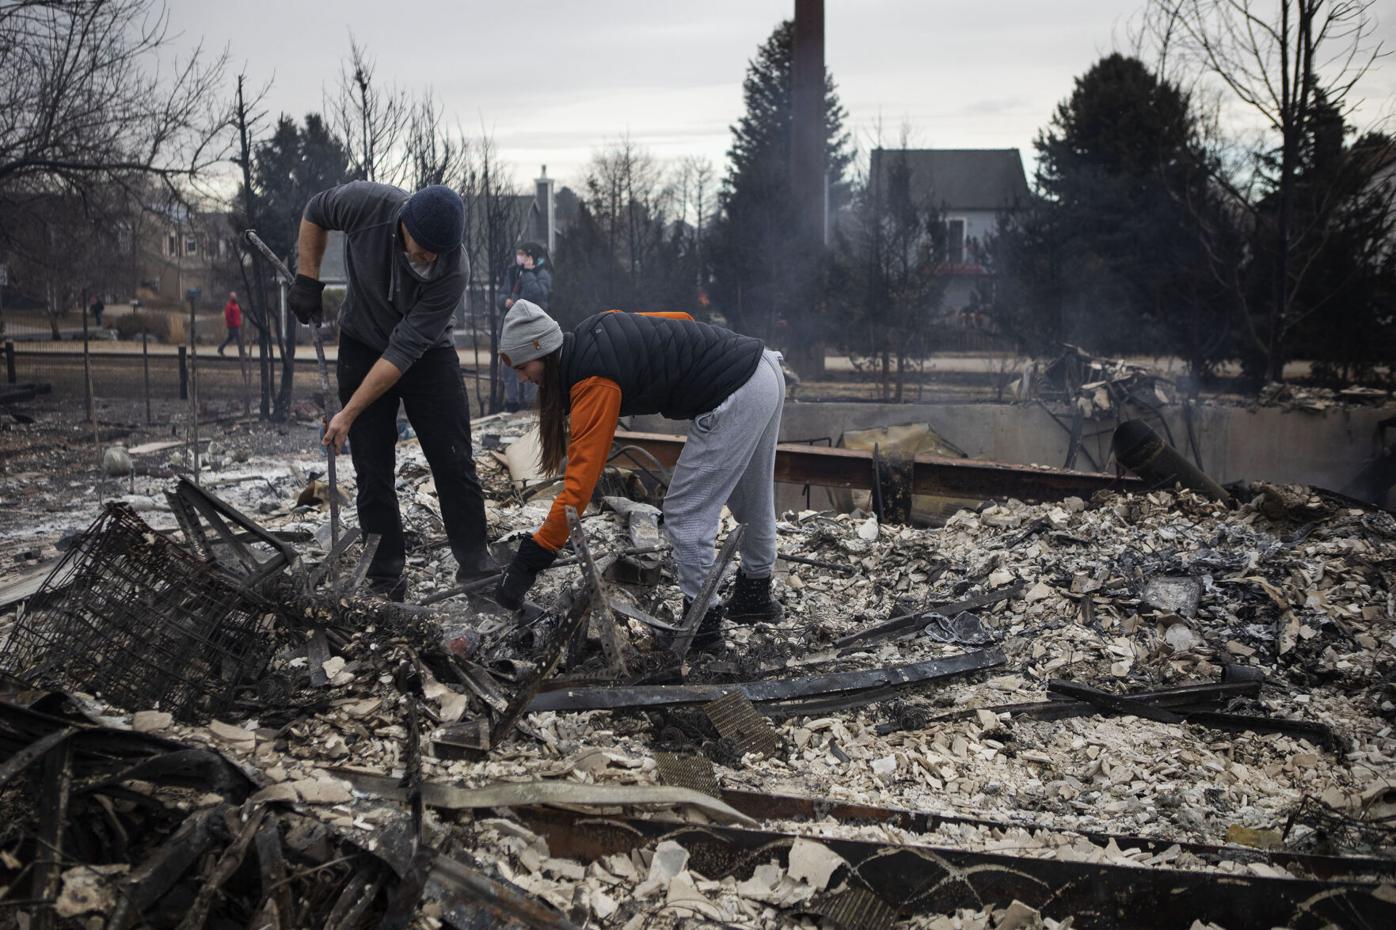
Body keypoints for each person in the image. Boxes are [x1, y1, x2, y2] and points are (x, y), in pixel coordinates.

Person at [493, 300, 785, 650]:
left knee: (685, 514)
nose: (523, 378)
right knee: (751, 496)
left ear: (544, 350)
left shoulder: (594, 380)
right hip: (762, 369)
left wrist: (532, 557)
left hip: (736, 389)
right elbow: (681, 319)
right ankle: (755, 595)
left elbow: (579, 487)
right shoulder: (595, 327)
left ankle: (702, 629)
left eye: (524, 367)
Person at [288, 180, 492, 601]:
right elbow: (314, 208)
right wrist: (307, 277)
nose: (430, 259)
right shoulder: (367, 205)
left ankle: (477, 572)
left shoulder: (454, 269)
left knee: (454, 462)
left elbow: (401, 354)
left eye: (440, 252)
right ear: (404, 224)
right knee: (372, 469)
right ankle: (386, 578)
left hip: (426, 354)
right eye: (423, 249)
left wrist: (348, 413)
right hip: (362, 341)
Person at [498, 242, 551, 412]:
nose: (520, 257)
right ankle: (511, 402)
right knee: (508, 366)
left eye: (524, 254)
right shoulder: (513, 272)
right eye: (518, 254)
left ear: (532, 257)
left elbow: (537, 295)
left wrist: (528, 274)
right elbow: (502, 293)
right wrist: (504, 301)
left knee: (532, 364)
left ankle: (531, 404)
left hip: (532, 331)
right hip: (513, 329)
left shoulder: (542, 274)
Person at [218, 291, 242, 356]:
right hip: (232, 325)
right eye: (233, 296)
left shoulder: (236, 305)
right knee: (239, 339)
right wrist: (232, 322)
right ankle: (242, 352)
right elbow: (228, 316)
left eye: (235, 296)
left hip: (236, 324)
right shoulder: (229, 306)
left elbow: (237, 315)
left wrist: (239, 321)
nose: (234, 297)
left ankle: (220, 348)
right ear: (230, 297)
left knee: (229, 339)